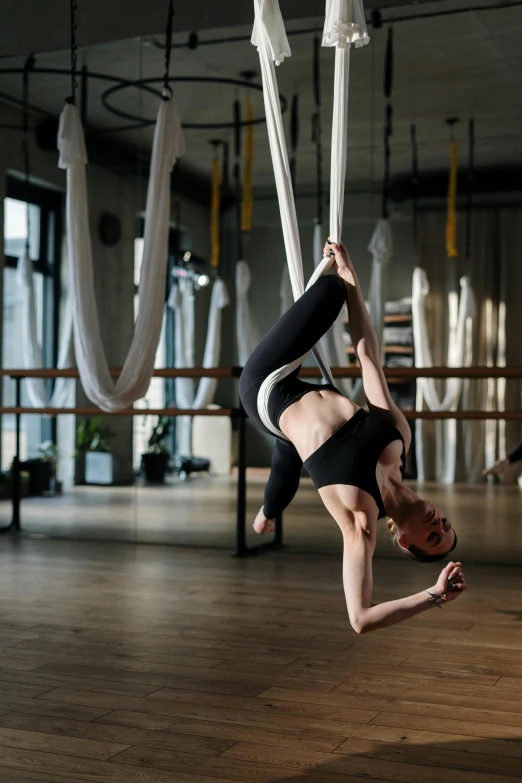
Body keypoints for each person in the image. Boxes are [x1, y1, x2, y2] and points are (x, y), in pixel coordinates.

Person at [239, 240, 466, 634]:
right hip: (299, 403)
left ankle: (268, 512)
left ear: (405, 543)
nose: (438, 524)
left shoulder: (360, 520)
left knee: (328, 292)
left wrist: (434, 595)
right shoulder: (399, 441)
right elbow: (368, 358)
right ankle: (267, 514)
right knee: (286, 463)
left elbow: (360, 619)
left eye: (433, 536)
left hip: (266, 389)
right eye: (445, 525)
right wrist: (351, 278)